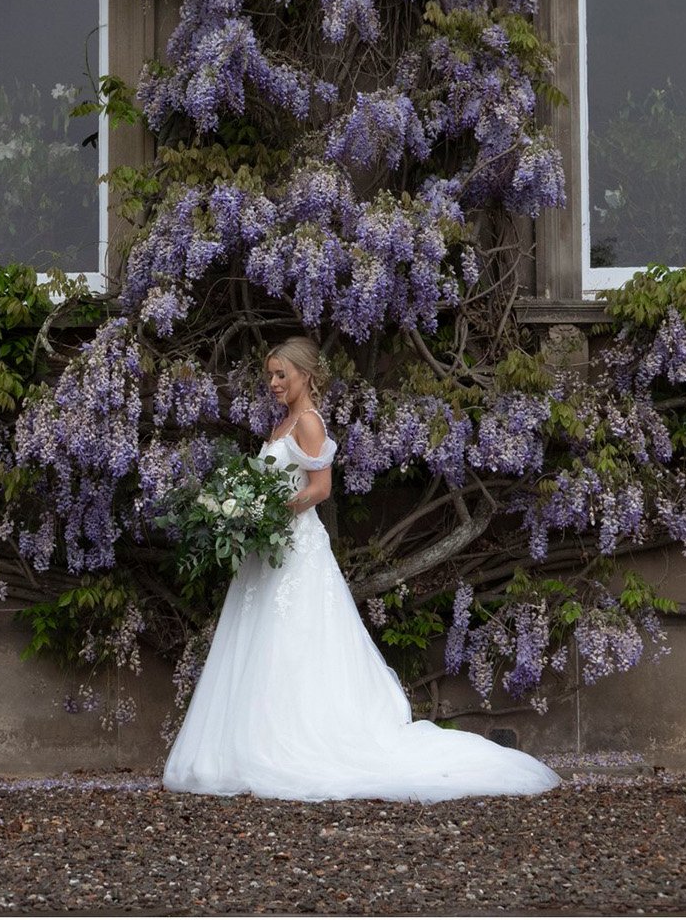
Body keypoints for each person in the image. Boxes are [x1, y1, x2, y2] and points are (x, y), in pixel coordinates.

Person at [161, 335, 561, 802]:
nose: (272, 382)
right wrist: (244, 511)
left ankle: (295, 743)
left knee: (295, 639)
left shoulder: (308, 422)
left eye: (280, 375)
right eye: (270, 374)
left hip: (293, 545)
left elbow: (322, 488)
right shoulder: (282, 422)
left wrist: (268, 512)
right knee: (260, 639)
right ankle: (247, 743)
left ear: (304, 375)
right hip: (268, 551)